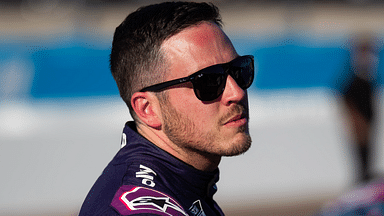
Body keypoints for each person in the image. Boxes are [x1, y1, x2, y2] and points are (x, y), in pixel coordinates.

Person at [79, 1, 254, 215]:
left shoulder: (185, 184)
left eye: (239, 71)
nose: (236, 93)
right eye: (209, 81)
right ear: (147, 109)